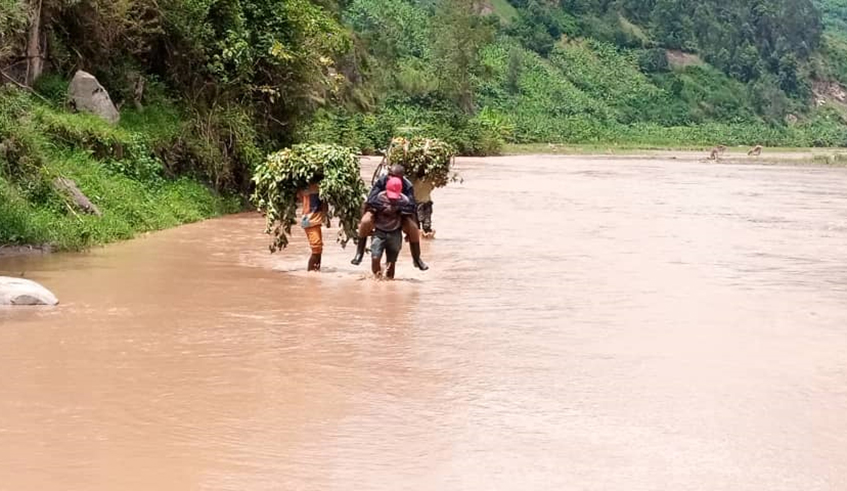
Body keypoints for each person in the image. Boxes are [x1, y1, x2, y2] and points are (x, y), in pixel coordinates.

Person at [351, 164, 429, 270]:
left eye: (396, 177)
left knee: (413, 228)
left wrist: (397, 208)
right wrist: (384, 206)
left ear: (402, 177)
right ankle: (359, 253)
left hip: (400, 213)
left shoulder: (408, 186)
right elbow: (371, 200)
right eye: (391, 175)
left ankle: (417, 258)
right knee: (365, 221)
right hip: (379, 211)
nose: (392, 178)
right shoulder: (381, 181)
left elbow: (411, 206)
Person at [370, 177, 409, 279]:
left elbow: (410, 214)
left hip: (395, 233)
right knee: (375, 258)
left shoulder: (404, 202)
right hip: (379, 232)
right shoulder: (378, 199)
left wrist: (409, 232)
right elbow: (368, 207)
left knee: (391, 263)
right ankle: (377, 279)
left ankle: (389, 282)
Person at [297, 182, 328, 272]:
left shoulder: (310, 187)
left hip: (314, 220)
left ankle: (315, 272)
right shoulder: (307, 188)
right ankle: (311, 272)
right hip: (309, 220)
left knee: (318, 249)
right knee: (316, 248)